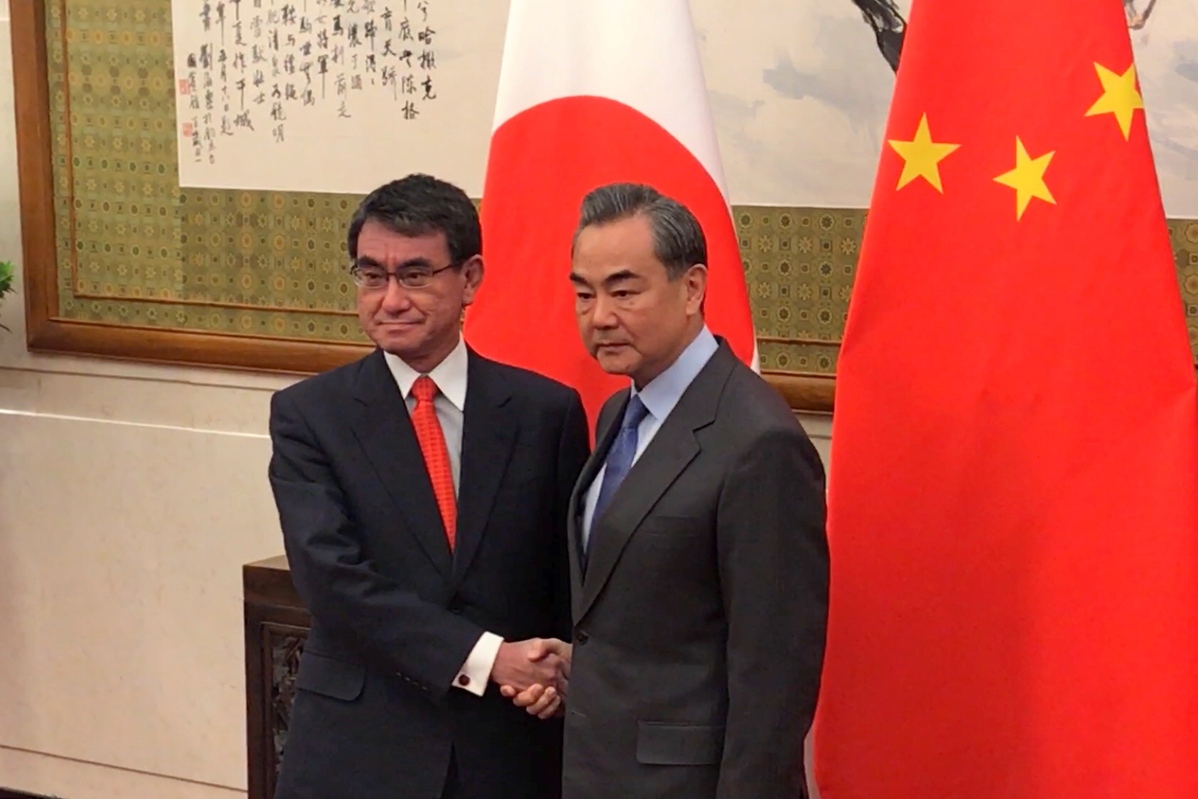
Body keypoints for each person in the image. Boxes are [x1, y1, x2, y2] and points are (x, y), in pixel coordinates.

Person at [266, 173, 589, 799]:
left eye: (414, 275)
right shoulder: (310, 416)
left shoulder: (544, 413)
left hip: (509, 746)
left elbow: (568, 582)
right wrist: (491, 657)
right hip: (361, 746)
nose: (390, 299)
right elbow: (334, 583)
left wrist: (556, 674)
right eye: (370, 275)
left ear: (469, 278)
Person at [514, 182, 830, 798]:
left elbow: (775, 678)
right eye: (584, 293)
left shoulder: (758, 442)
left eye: (624, 291)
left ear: (692, 289)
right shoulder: (615, 413)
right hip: (598, 770)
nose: (599, 315)